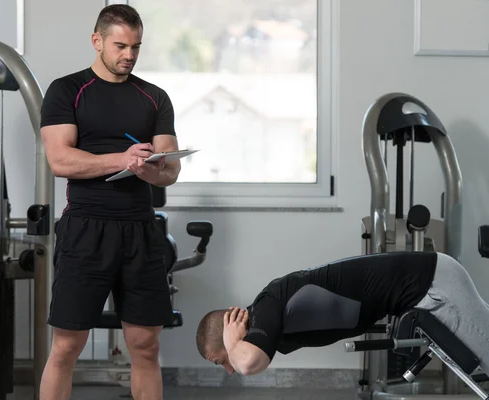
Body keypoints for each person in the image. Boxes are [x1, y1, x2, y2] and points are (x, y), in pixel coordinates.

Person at [38, 4, 181, 400]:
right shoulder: (67, 90)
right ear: (97, 41)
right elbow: (60, 160)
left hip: (140, 229)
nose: (129, 55)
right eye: (121, 45)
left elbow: (169, 169)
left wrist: (152, 169)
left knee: (146, 347)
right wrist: (122, 158)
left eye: (136, 47)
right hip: (86, 229)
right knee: (66, 347)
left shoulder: (154, 97)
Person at [196, 251, 489, 377]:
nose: (229, 369)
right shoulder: (270, 319)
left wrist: (234, 346)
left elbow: (248, 364)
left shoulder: (267, 305)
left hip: (432, 283)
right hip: (430, 280)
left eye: (221, 361)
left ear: (229, 329)